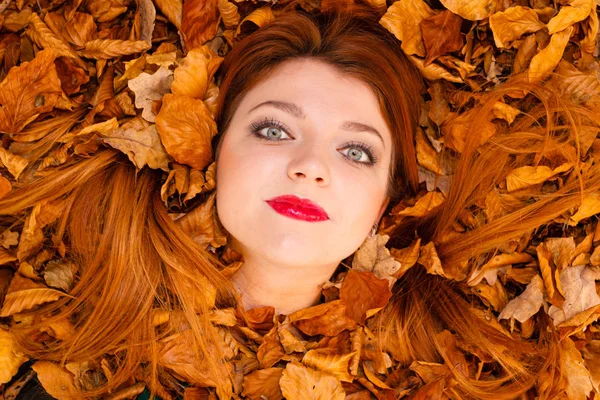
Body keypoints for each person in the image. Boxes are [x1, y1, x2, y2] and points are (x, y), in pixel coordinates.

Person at [1, 1, 599, 399]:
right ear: (211, 147)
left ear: (389, 201)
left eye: (358, 151)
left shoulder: (451, 377)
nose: (310, 166)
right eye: (273, 130)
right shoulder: (63, 358)